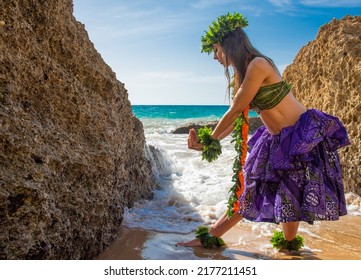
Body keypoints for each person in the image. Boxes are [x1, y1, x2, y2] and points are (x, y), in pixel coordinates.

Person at [177, 12, 350, 249]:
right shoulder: (241, 74)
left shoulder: (258, 64)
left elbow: (237, 108)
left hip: (300, 136)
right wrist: (212, 141)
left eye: (217, 50)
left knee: (291, 196)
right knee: (252, 191)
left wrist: (210, 140)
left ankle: (288, 246)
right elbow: (237, 117)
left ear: (229, 45)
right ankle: (212, 237)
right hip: (275, 140)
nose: (215, 57)